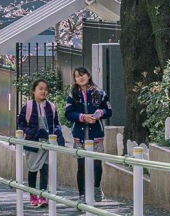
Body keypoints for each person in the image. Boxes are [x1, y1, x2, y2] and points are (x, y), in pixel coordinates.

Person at [64, 66, 112, 202]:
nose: (81, 77)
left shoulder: (99, 92)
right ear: (75, 79)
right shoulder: (72, 94)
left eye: (83, 74)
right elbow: (68, 113)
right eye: (77, 76)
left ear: (88, 75)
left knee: (97, 164)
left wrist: (99, 114)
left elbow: (108, 110)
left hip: (96, 133)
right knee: (81, 165)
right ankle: (82, 194)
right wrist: (82, 117)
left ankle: (97, 186)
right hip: (79, 134)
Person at [17, 78, 65, 207]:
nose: (43, 91)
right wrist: (34, 132)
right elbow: (21, 124)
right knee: (32, 169)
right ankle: (33, 195)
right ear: (34, 91)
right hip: (32, 143)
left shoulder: (51, 106)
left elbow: (56, 124)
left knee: (45, 169)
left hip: (47, 143)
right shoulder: (27, 106)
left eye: (45, 89)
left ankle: (43, 196)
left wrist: (58, 137)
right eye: (40, 89)